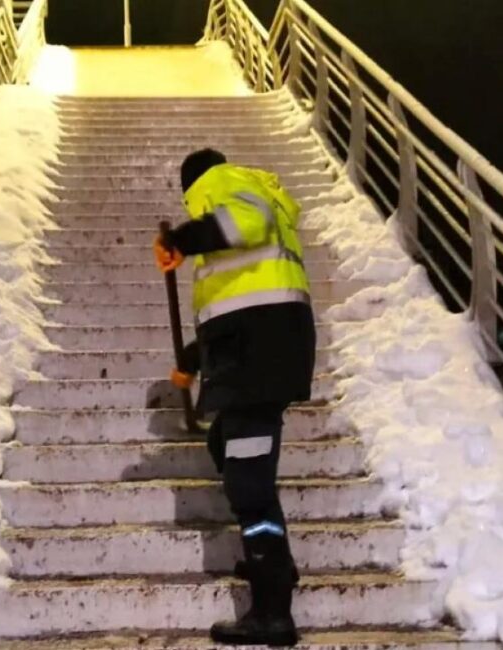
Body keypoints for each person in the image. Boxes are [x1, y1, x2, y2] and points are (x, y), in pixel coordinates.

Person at [153, 148, 316, 647]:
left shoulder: (223, 184)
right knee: (224, 441)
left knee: (249, 488)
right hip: (259, 348)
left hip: (257, 358)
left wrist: (183, 237)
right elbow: (244, 300)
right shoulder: (250, 197)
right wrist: (192, 358)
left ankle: (272, 613)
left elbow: (250, 219)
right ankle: (274, 562)